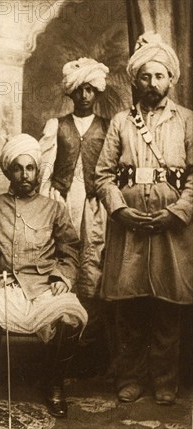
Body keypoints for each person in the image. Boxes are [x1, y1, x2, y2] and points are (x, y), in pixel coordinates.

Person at [95, 32, 193, 405]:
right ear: (135, 80)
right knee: (130, 307)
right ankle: (131, 376)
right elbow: (102, 175)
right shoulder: (122, 122)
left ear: (171, 79)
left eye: (159, 76)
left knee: (168, 307)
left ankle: (166, 380)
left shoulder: (186, 121)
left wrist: (177, 213)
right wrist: (120, 210)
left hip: (174, 229)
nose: (152, 84)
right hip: (128, 228)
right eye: (145, 77)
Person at [0, 134, 87, 418]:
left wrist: (62, 277)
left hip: (44, 287)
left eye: (30, 168)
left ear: (38, 170)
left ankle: (54, 384)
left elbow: (70, 249)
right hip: (5, 285)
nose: (24, 175)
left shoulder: (54, 208)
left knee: (70, 319)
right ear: (9, 171)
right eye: (17, 168)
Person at [39, 57, 110, 299]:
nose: (84, 96)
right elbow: (46, 167)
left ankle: (90, 323)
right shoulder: (57, 125)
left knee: (93, 255)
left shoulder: (108, 127)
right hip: (62, 198)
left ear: (97, 92)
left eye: (89, 90)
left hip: (94, 201)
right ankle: (62, 314)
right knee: (61, 250)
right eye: (79, 90)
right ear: (71, 93)